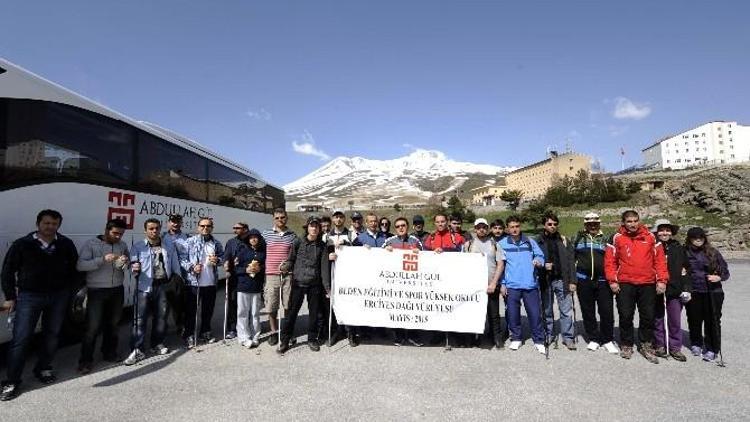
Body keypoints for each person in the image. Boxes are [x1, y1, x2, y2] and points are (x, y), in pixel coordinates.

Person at [0, 210, 78, 401]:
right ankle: (12, 380)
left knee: (52, 335)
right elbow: (8, 272)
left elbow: (74, 269)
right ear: (38, 224)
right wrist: (10, 296)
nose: (50, 227)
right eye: (47, 223)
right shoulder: (23, 244)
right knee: (21, 338)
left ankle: (43, 368)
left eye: (54, 224)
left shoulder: (65, 244)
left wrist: (69, 292)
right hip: (29, 297)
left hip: (58, 296)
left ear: (59, 225)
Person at [604, 210, 668, 364]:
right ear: (623, 223)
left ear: (639, 221)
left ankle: (646, 344)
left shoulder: (651, 237)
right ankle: (626, 344)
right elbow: (610, 261)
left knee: (648, 316)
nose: (632, 224)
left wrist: (662, 280)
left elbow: (659, 261)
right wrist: (612, 280)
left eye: (635, 221)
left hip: (647, 283)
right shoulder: (616, 238)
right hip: (625, 283)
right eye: (629, 221)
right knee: (625, 315)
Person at [76, 218, 130, 374]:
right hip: (97, 290)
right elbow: (80, 265)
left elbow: (125, 266)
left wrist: (125, 262)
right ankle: (85, 360)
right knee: (92, 327)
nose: (118, 237)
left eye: (121, 234)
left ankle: (109, 353)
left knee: (113, 324)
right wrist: (102, 259)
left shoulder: (122, 245)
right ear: (106, 230)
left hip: (116, 289)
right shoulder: (91, 244)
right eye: (115, 233)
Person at [125, 218, 182, 365]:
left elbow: (174, 264)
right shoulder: (138, 247)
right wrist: (134, 269)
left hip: (163, 286)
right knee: (139, 319)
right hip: (144, 287)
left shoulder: (168, 246)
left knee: (161, 317)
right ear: (145, 230)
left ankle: (157, 344)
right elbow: (132, 266)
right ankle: (137, 349)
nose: (154, 231)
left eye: (156, 228)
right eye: (151, 228)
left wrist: (176, 280)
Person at [278, 216, 330, 354]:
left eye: (317, 226)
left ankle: (312, 339)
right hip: (298, 282)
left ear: (319, 230)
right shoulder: (298, 242)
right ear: (307, 227)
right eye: (312, 225)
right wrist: (285, 266)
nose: (314, 228)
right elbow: (291, 259)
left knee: (314, 314)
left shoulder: (322, 246)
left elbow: (324, 267)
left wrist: (327, 287)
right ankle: (285, 340)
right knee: (291, 313)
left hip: (315, 284)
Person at [499, 215, 546, 354]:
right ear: (507, 228)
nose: (515, 229)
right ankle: (516, 338)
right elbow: (501, 266)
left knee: (535, 314)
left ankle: (539, 340)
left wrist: (538, 261)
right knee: (513, 314)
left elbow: (540, 256)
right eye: (512, 227)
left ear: (520, 226)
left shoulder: (530, 242)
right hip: (512, 285)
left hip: (529, 284)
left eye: (517, 226)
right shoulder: (502, 244)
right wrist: (502, 283)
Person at [573, 213, 618, 354]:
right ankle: (593, 338)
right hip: (583, 280)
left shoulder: (607, 238)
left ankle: (607, 339)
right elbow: (571, 258)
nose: (592, 226)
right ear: (585, 225)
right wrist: (572, 279)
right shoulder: (577, 238)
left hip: (603, 280)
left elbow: (614, 259)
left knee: (606, 312)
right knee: (588, 311)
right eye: (589, 224)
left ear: (599, 224)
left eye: (595, 223)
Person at [684, 227, 730, 362]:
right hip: (694, 291)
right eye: (695, 237)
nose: (698, 240)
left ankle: (712, 349)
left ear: (704, 238)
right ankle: (696, 343)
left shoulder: (713, 252)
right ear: (689, 239)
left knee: (713, 321)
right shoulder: (685, 252)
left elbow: (725, 271)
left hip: (713, 291)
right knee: (694, 319)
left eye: (701, 237)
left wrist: (718, 277)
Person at [651, 219, 692, 361]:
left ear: (671, 232)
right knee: (658, 319)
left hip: (675, 290)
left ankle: (675, 347)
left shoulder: (678, 248)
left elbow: (686, 270)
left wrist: (687, 288)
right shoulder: (651, 246)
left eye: (667, 230)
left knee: (674, 320)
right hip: (656, 289)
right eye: (661, 230)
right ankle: (659, 344)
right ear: (656, 232)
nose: (665, 233)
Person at [462, 218, 506, 349]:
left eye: (484, 227)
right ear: (475, 229)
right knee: (474, 313)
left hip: (491, 284)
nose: (481, 229)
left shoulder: (495, 244)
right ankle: (474, 337)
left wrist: (494, 283)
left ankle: (496, 337)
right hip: (474, 286)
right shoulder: (468, 245)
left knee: (494, 314)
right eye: (479, 227)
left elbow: (500, 264)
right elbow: (462, 264)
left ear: (487, 229)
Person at [423, 213, 465, 348]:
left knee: (454, 306)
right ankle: (438, 333)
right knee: (438, 306)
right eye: (437, 222)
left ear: (447, 222)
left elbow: (465, 256)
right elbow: (424, 255)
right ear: (434, 223)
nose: (440, 224)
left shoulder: (456, 237)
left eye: (442, 221)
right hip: (436, 279)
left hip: (453, 278)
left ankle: (456, 333)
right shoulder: (431, 238)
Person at [181, 217, 224, 347]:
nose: (205, 228)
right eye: (203, 226)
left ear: (212, 228)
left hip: (210, 283)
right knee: (191, 311)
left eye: (208, 226)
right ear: (198, 227)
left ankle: (205, 332)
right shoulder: (189, 242)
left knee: (208, 310)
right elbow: (182, 260)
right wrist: (192, 267)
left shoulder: (216, 243)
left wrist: (218, 260)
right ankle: (189, 334)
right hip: (194, 283)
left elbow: (222, 258)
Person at [536, 212, 576, 350]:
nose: (552, 226)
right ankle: (549, 334)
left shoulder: (564, 240)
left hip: (561, 280)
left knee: (566, 310)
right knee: (547, 310)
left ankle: (568, 337)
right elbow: (533, 260)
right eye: (549, 224)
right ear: (544, 225)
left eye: (555, 224)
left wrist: (573, 281)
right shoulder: (537, 241)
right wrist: (542, 265)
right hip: (545, 280)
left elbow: (571, 261)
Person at [383, 217, 424, 347]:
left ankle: (413, 336)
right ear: (395, 228)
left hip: (412, 282)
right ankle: (399, 336)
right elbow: (378, 257)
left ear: (407, 226)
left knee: (412, 309)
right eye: (398, 226)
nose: (401, 228)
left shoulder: (415, 240)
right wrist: (385, 251)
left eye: (403, 225)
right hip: (395, 283)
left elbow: (426, 258)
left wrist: (420, 253)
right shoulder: (389, 241)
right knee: (397, 309)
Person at [261, 208, 297, 346]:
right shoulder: (266, 234)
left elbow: (294, 255)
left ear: (286, 218)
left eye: (282, 217)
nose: (280, 220)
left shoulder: (292, 235)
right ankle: (274, 332)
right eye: (277, 218)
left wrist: (289, 265)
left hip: (287, 275)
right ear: (273, 219)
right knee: (271, 305)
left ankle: (287, 332)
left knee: (288, 305)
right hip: (271, 275)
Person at [322, 209, 355, 346]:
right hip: (332, 274)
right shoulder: (325, 237)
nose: (338, 219)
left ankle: (350, 332)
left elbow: (358, 254)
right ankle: (335, 332)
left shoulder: (351, 235)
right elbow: (322, 257)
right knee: (333, 305)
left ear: (344, 219)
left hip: (347, 275)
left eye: (341, 217)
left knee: (348, 303)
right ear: (333, 219)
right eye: (336, 217)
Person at [234, 229, 265, 348]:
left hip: (256, 287)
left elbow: (265, 267)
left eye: (256, 237)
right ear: (248, 239)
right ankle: (243, 337)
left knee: (255, 313)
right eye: (251, 237)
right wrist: (245, 270)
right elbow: (236, 269)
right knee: (242, 313)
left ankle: (255, 335)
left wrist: (260, 269)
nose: (253, 239)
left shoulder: (262, 253)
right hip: (243, 286)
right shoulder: (242, 252)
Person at [222, 221, 250, 340]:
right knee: (233, 303)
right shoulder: (231, 242)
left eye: (237, 228)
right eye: (234, 228)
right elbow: (226, 256)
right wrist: (226, 264)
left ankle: (246, 326)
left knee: (246, 304)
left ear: (245, 229)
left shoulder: (251, 241)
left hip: (248, 277)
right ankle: (232, 328)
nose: (235, 230)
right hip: (234, 277)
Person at [162, 214, 189, 335]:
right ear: (168, 223)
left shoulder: (187, 237)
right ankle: (162, 329)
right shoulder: (162, 237)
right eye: (173, 221)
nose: (175, 224)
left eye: (178, 222)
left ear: (181, 223)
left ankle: (181, 327)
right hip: (166, 276)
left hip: (182, 275)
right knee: (164, 305)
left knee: (181, 305)